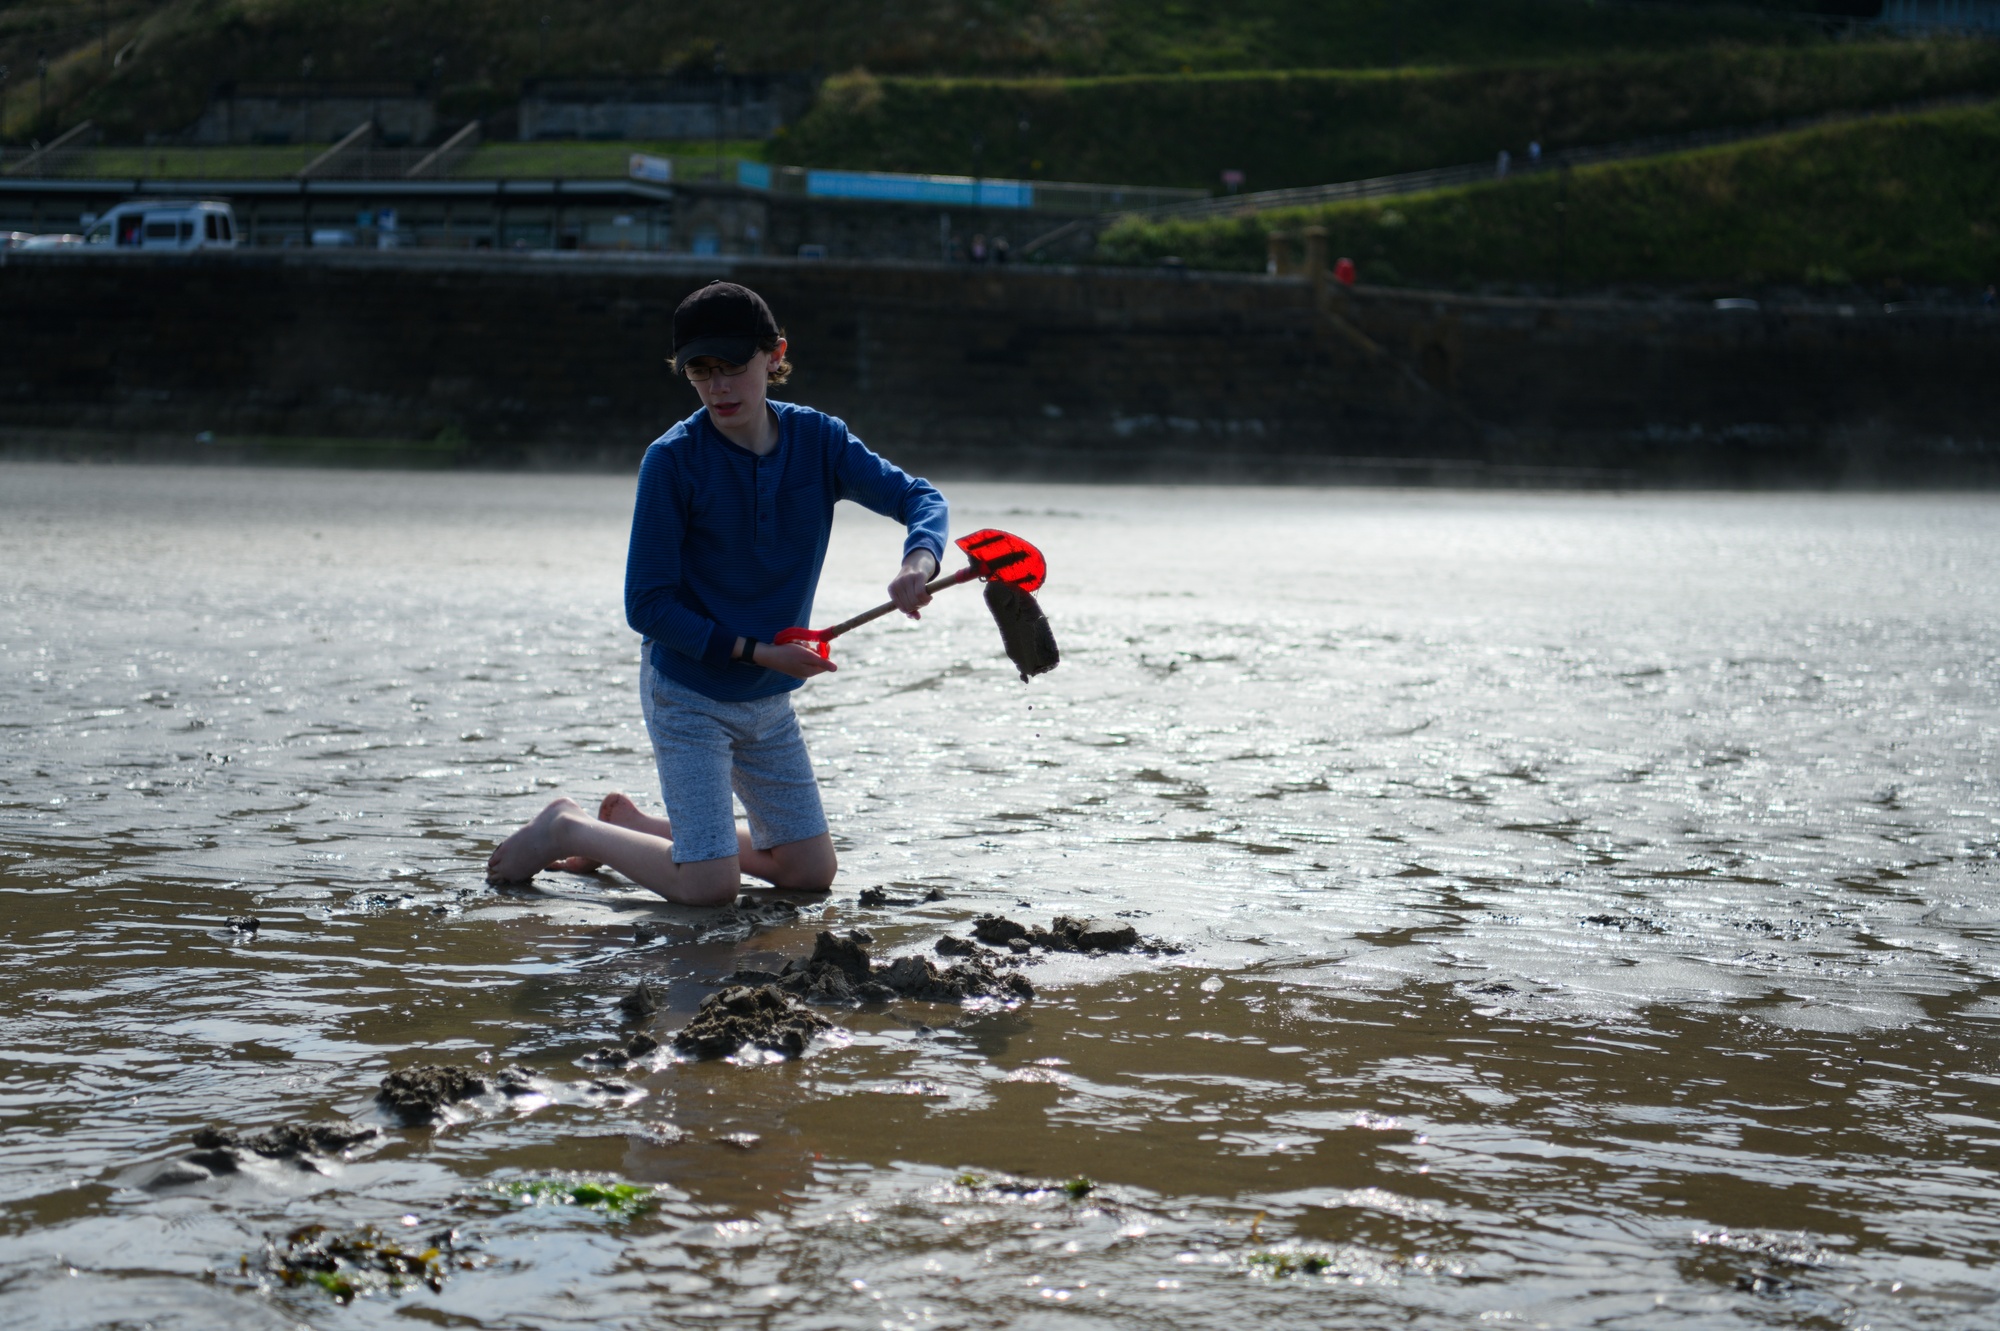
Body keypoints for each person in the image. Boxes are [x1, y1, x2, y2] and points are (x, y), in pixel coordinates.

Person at [485, 281, 948, 905]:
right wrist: (759, 652)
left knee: (810, 871)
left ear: (775, 355)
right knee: (709, 887)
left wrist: (918, 561)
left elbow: (920, 498)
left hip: (768, 701)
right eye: (700, 371)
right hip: (688, 694)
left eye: (732, 367)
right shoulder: (672, 460)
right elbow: (646, 606)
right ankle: (567, 827)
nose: (718, 387)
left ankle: (640, 830)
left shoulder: (820, 442)